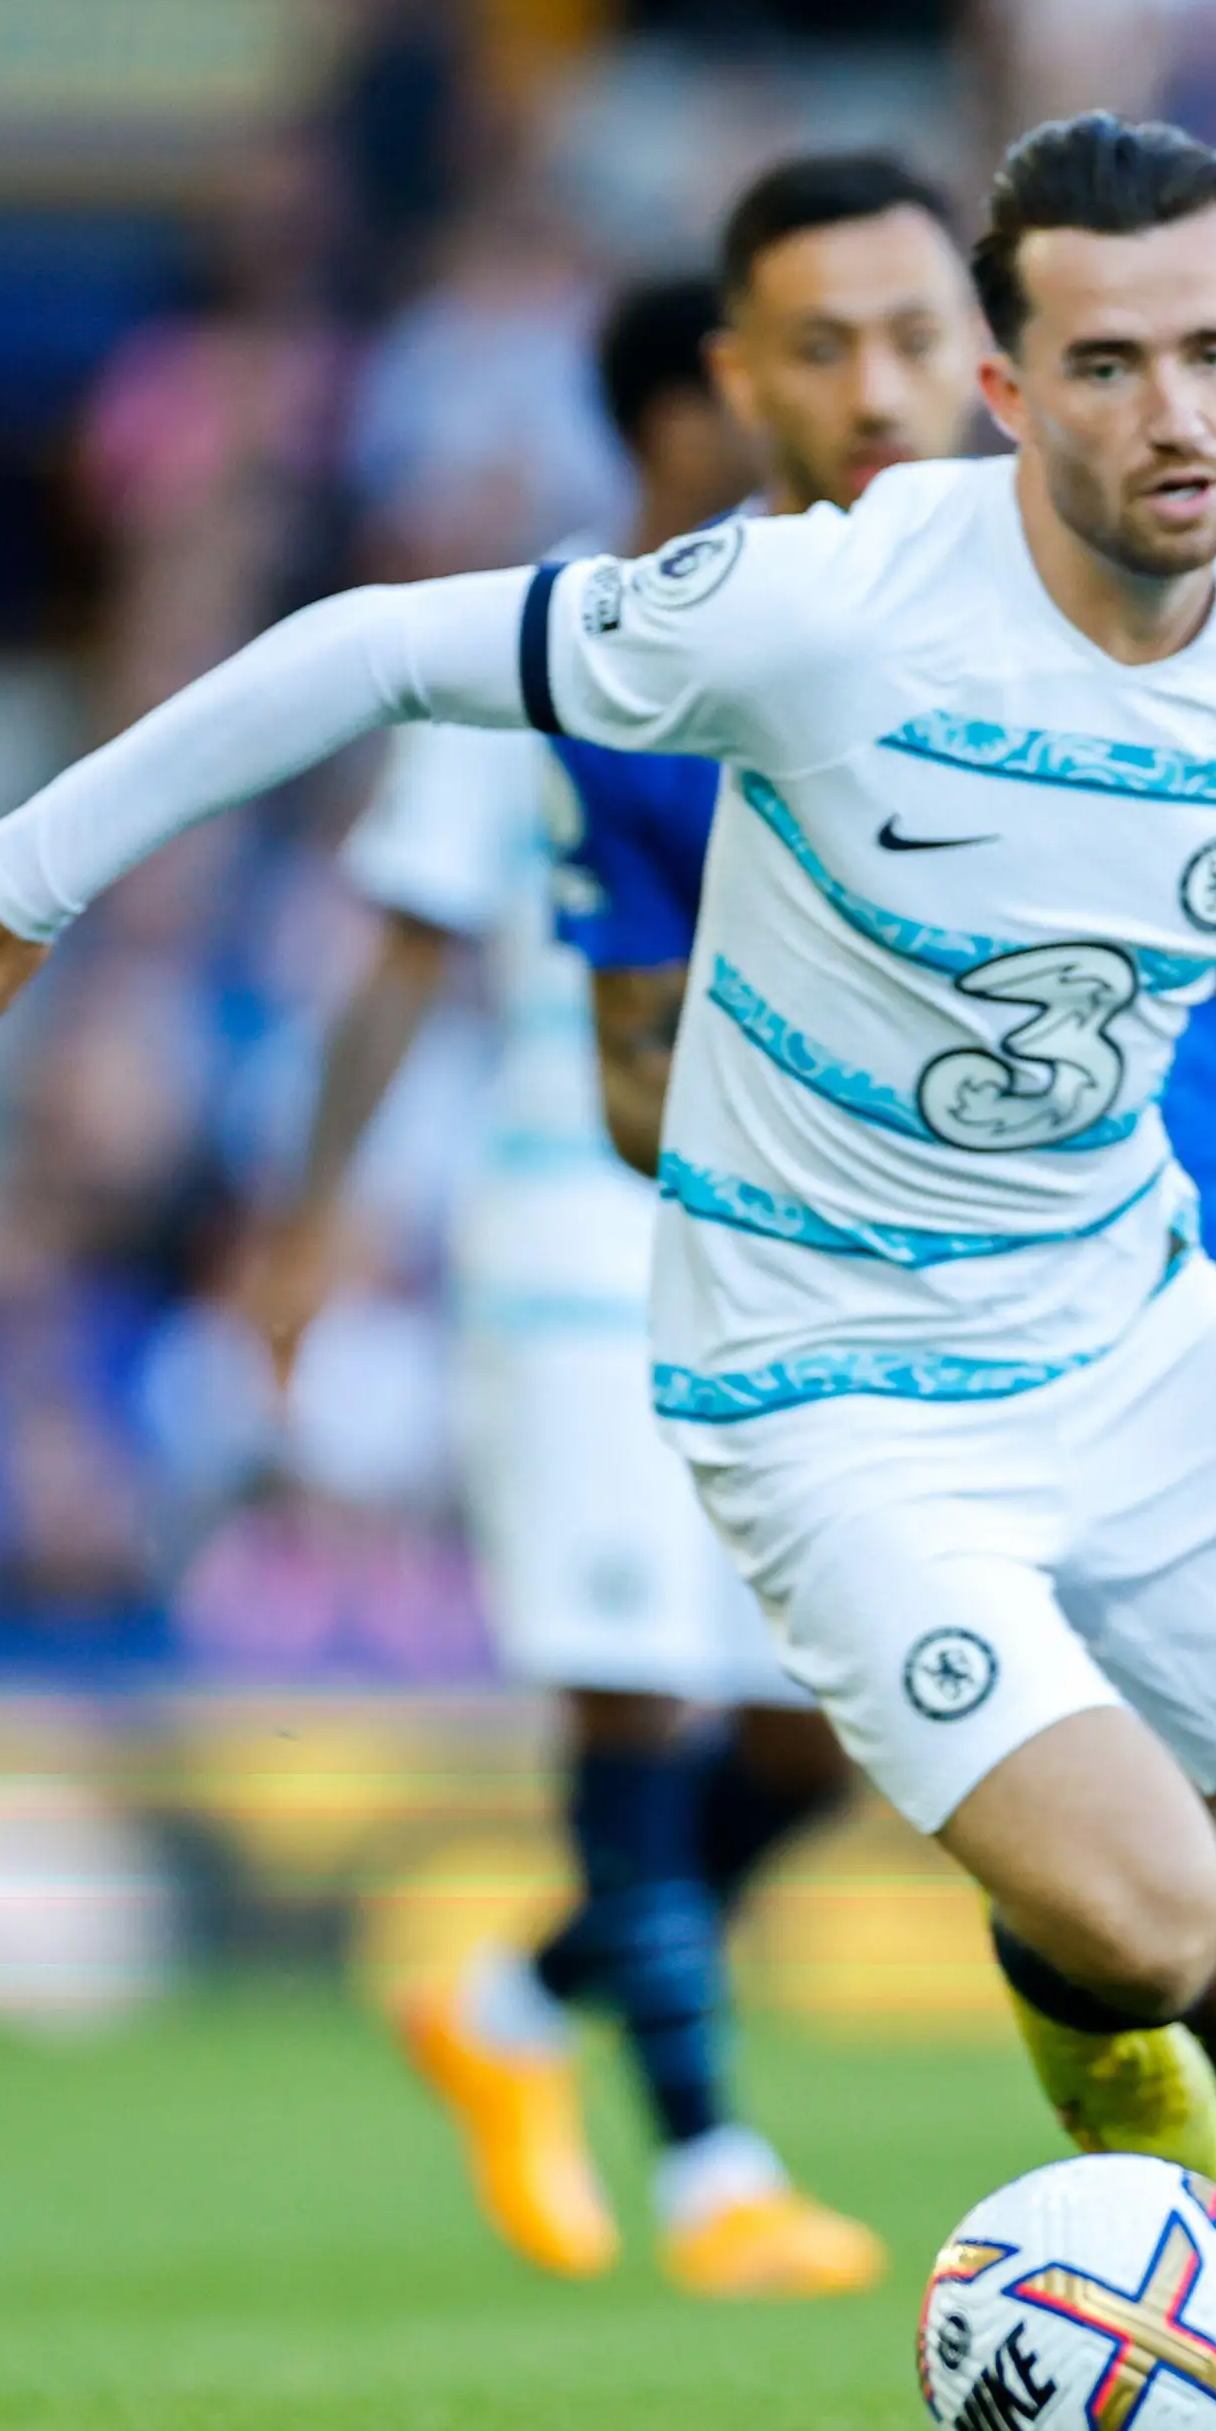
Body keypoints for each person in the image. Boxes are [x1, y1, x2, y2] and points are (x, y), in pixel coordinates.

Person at [0, 113, 1216, 2431]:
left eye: (1209, 357)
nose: (1170, 413)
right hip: (830, 1385)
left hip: (1135, 1326)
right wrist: (28, 873)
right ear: (1008, 391)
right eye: (1105, 364)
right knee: (1159, 1922)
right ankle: (1096, 2029)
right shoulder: (820, 604)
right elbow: (377, 648)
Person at [554, 155, 1216, 2348]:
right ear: (739, 383)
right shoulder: (708, 655)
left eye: (913, 336)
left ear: (985, 360)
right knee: (1160, 1889)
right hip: (888, 1344)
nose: (875, 387)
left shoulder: (1193, 611)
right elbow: (632, 1074)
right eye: (820, 350)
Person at [245, 272, 884, 2303]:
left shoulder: (825, 637)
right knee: (634, 1686)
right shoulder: (528, 648)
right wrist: (307, 1226)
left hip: (775, 1233)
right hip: (566, 1227)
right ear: (679, 411)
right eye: (773, 375)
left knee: (823, 1729)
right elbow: (401, 961)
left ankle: (513, 2001)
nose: (824, 409)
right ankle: (711, 2168)